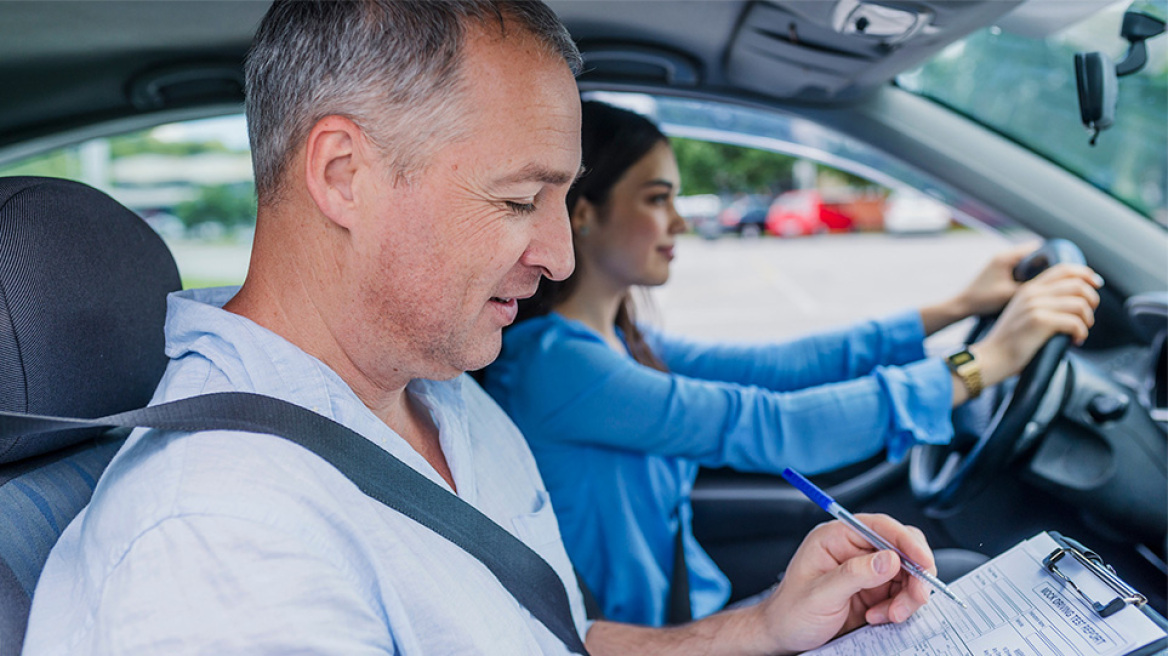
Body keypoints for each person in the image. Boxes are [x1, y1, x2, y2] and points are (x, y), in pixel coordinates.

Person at [24, 2, 942, 654]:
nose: (559, 255)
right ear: (343, 175)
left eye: (563, 199)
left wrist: (763, 629)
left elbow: (548, 638)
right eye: (517, 199)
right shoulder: (221, 537)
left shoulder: (442, 395)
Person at [481, 101, 1103, 627]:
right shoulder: (557, 367)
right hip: (654, 636)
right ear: (583, 214)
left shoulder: (617, 342)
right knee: (959, 586)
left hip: (688, 606)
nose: (679, 220)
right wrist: (984, 363)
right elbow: (772, 425)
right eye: (656, 198)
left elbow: (779, 368)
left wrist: (957, 307)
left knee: (949, 586)